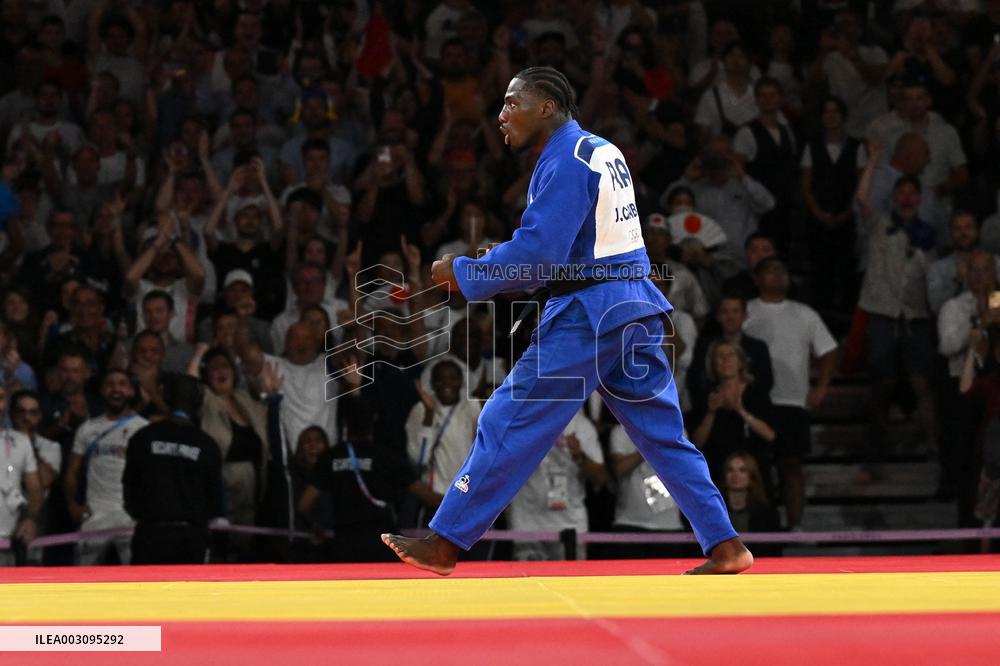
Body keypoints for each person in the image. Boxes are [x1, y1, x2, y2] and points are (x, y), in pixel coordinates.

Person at [381, 66, 751, 575]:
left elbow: (539, 256)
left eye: (513, 103)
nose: (501, 114)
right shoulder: (600, 150)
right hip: (632, 305)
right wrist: (504, 257)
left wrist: (461, 272)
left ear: (547, 107)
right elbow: (579, 244)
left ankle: (445, 542)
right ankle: (726, 545)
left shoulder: (565, 160)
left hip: (591, 313)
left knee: (507, 418)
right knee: (663, 435)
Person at [744, 257, 838, 529]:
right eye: (771, 270)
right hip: (755, 401)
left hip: (792, 400)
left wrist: (821, 386)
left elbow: (829, 351)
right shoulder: (747, 312)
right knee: (756, 467)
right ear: (757, 278)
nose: (778, 275)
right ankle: (756, 526)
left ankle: (795, 526)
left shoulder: (804, 313)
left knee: (792, 465)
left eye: (782, 270)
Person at [123, 373, 225, 565]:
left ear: (166, 397)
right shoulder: (207, 444)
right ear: (198, 400)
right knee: (185, 595)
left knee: (146, 594)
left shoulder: (143, 437)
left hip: (150, 535)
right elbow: (215, 499)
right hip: (190, 538)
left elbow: (129, 488)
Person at [65, 369, 147, 565]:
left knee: (137, 577)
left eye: (122, 384)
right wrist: (72, 505)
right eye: (110, 384)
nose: (115, 389)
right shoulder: (88, 429)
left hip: (130, 515)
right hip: (95, 512)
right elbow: (72, 471)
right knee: (82, 578)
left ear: (132, 391)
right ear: (102, 391)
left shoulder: (144, 429)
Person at [0, 384, 43, 565]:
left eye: (1, 398)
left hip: (7, 540)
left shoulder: (21, 441)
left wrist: (30, 518)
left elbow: (34, 488)